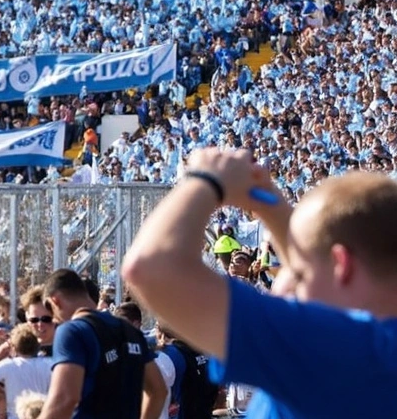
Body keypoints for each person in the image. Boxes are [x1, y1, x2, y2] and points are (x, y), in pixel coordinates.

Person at [122, 147, 397, 419]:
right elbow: (317, 259)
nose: (282, 288)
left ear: (342, 266)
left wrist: (206, 179)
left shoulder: (335, 344)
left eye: (298, 273)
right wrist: (265, 197)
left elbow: (151, 268)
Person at [35, 269, 166, 419]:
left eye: (51, 315)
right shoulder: (130, 331)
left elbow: (65, 399)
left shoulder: (72, 331)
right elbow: (158, 390)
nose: (55, 321)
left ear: (55, 301)